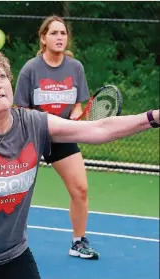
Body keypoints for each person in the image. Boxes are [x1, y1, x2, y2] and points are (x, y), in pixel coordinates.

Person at [0, 47, 159, 279]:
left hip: (8, 252)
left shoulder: (33, 123)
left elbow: (98, 129)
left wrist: (153, 117)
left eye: (1, 76)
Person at [14, 15, 99, 259]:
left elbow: (77, 105)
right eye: (54, 33)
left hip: (62, 137)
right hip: (31, 135)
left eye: (63, 33)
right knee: (13, 193)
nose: (59, 37)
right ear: (43, 38)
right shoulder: (31, 68)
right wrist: (45, 124)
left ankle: (78, 242)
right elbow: (20, 107)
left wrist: (72, 118)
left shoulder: (75, 67)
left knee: (80, 189)